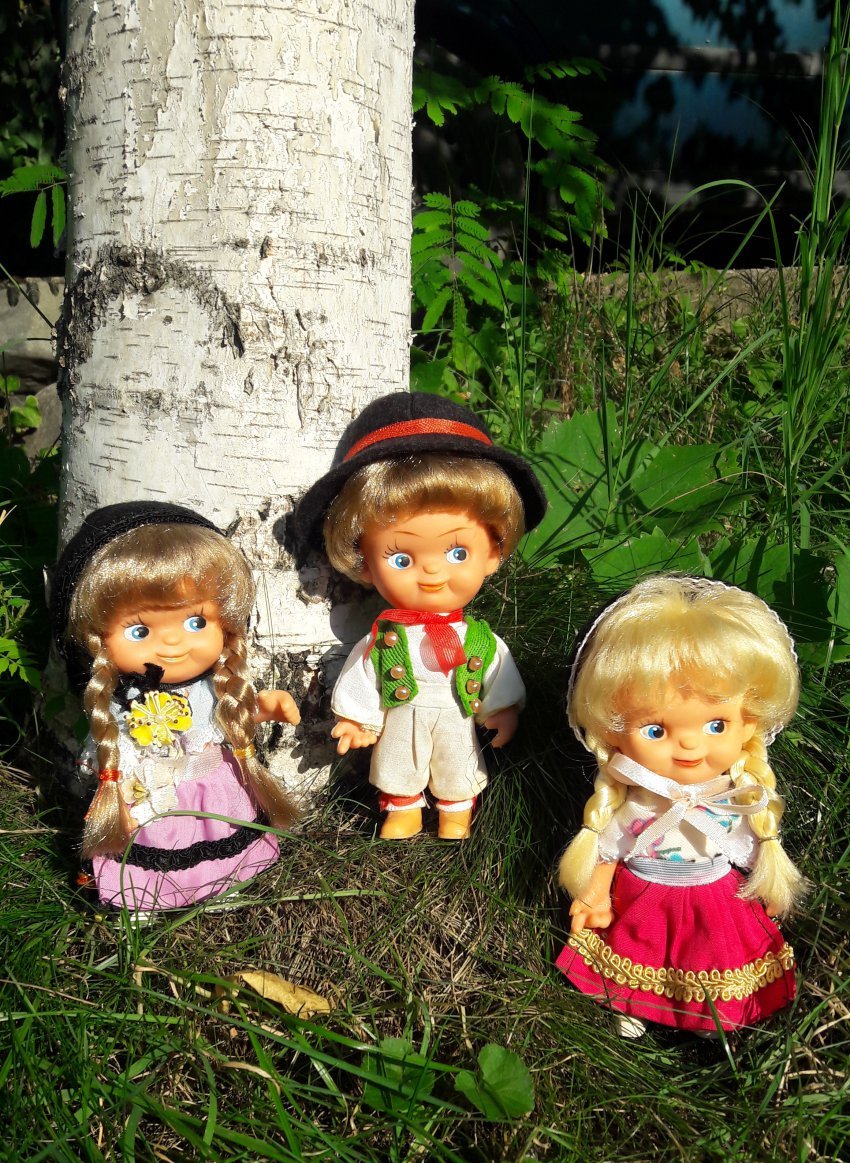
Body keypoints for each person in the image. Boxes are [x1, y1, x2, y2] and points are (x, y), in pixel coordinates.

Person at [556, 575, 807, 1037]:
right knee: (639, 949)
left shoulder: (732, 799)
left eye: (717, 725)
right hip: (645, 894)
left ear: (748, 723)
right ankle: (634, 1002)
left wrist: (768, 878)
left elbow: (749, 846)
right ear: (613, 732)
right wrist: (594, 893)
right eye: (655, 731)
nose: (689, 744)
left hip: (713, 894)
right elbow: (608, 848)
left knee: (711, 952)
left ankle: (711, 1009)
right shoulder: (635, 802)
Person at [296, 392, 547, 839]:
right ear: (364, 563)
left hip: (457, 713)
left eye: (457, 552)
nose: (431, 570)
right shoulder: (385, 639)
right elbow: (363, 675)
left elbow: (496, 669)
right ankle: (402, 809)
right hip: (402, 714)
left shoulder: (478, 638)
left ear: (493, 552)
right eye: (400, 558)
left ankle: (456, 812)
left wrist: (502, 708)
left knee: (459, 760)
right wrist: (357, 719)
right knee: (398, 760)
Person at [51, 502, 300, 912]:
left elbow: (225, 715)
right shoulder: (121, 704)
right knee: (152, 850)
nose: (171, 643)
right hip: (149, 794)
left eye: (196, 623)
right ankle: (143, 900)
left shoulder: (212, 686)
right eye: (139, 630)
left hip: (211, 786)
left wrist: (261, 707)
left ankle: (222, 884)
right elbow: (114, 749)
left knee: (222, 838)